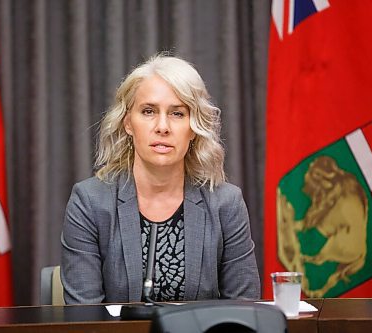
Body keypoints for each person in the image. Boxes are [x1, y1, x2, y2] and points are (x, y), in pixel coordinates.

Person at [61, 54, 260, 304]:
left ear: (194, 127)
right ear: (128, 124)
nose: (162, 127)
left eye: (177, 114)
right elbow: (84, 318)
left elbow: (243, 309)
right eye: (148, 111)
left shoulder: (226, 203)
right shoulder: (89, 202)